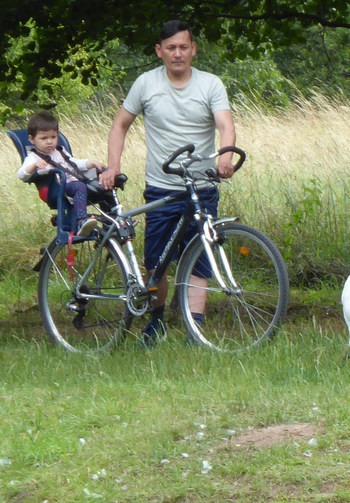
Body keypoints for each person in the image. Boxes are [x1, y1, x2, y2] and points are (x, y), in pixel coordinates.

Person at [100, 20, 235, 343]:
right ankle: (156, 321)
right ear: (159, 52)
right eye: (171, 48)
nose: (178, 54)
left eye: (184, 47)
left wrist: (225, 156)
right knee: (156, 261)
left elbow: (225, 125)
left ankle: (195, 327)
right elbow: (120, 125)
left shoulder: (211, 84)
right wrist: (113, 167)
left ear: (193, 49)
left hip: (201, 185)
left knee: (200, 257)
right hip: (161, 186)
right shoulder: (146, 84)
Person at [17, 109, 104, 243]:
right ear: (32, 139)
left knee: (105, 185)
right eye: (44, 138)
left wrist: (89, 163)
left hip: (75, 182)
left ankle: (114, 219)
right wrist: (34, 166)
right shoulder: (33, 157)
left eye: (53, 137)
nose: (49, 142)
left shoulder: (60, 151)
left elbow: (74, 163)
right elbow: (21, 174)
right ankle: (82, 221)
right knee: (79, 187)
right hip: (59, 188)